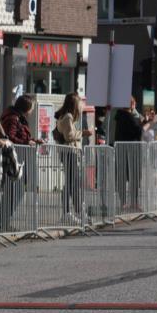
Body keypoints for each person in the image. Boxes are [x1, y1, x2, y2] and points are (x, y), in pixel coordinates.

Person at [0, 96, 40, 231]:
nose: (32, 111)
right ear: (26, 108)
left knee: (16, 192)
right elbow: (10, 138)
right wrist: (27, 143)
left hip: (17, 158)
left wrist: (32, 140)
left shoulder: (17, 118)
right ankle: (3, 223)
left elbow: (19, 136)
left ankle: (4, 223)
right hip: (12, 159)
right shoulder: (13, 118)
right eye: (31, 108)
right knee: (13, 192)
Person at [54, 93, 92, 223]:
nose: (81, 105)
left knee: (73, 183)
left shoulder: (65, 116)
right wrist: (84, 133)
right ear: (74, 104)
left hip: (69, 153)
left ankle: (77, 211)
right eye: (79, 102)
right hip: (69, 153)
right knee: (71, 184)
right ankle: (67, 213)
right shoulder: (68, 117)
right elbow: (69, 136)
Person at [113, 96, 152, 212]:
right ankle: (126, 202)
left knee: (131, 177)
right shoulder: (126, 116)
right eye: (132, 102)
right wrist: (150, 123)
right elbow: (138, 131)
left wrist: (145, 121)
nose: (134, 104)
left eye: (134, 102)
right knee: (127, 177)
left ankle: (131, 202)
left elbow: (135, 128)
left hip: (129, 150)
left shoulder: (123, 115)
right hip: (129, 151)